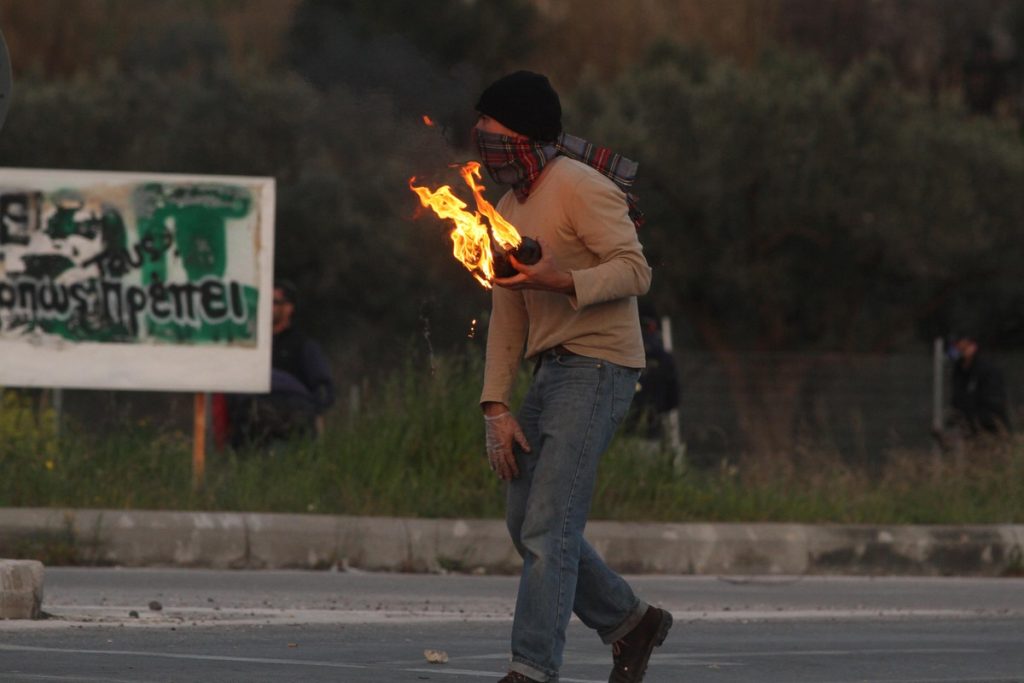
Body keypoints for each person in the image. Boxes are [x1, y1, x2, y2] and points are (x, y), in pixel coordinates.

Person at [474, 71, 672, 683]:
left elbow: (635, 271)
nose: (483, 141)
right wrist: (495, 406)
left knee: (548, 525)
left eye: (492, 130)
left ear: (523, 134)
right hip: (551, 369)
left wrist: (563, 280)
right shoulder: (506, 209)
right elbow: (508, 312)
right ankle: (630, 622)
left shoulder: (581, 186)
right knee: (525, 523)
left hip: (600, 365)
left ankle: (532, 667)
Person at [226, 280, 336, 449]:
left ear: (289, 308)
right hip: (253, 431)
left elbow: (324, 389)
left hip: (292, 428)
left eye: (274, 302)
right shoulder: (251, 344)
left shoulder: (303, 346)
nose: (267, 308)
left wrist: (310, 412)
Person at [625, 306, 680, 442]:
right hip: (653, 416)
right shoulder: (662, 356)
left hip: (626, 418)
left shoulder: (625, 350)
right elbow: (673, 392)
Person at [948, 333, 1011, 437]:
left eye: (963, 347)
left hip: (990, 428)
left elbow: (994, 402)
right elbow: (957, 397)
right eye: (957, 347)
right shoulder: (958, 370)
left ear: (973, 346)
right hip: (969, 427)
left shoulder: (987, 369)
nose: (959, 350)